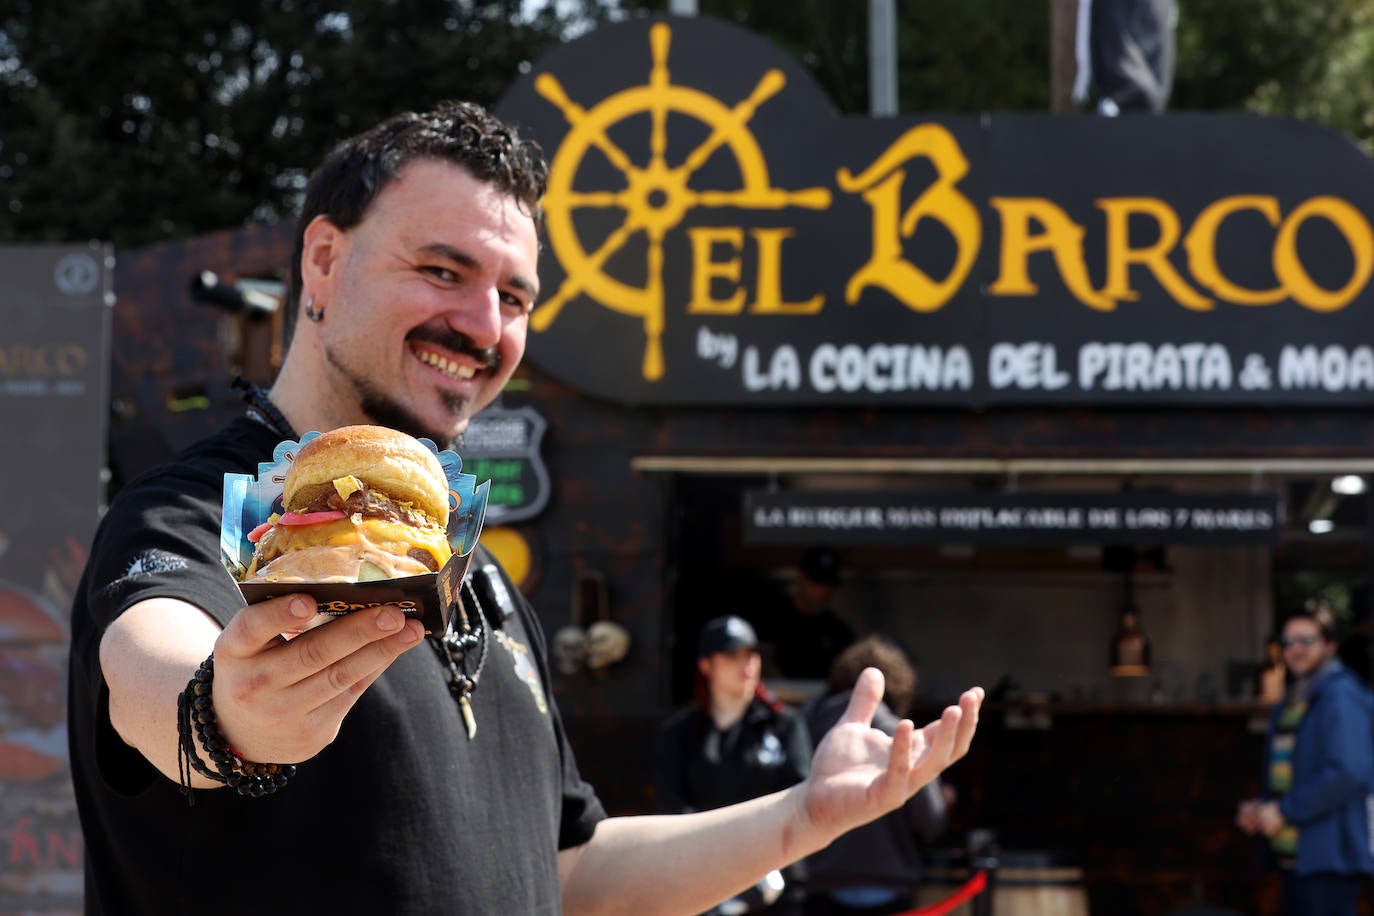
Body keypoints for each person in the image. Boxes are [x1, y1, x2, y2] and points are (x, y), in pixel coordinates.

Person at [67, 100, 984, 915]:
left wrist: (805, 816)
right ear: (323, 260)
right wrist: (224, 720)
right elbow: (150, 664)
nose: (483, 324)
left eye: (514, 296)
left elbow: (570, 873)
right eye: (440, 270)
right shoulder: (210, 507)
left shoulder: (485, 579)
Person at [655, 615, 813, 914]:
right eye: (732, 655)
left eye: (751, 654)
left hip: (776, 884)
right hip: (704, 884)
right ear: (706, 665)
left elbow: (800, 797)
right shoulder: (679, 733)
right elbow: (673, 809)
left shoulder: (783, 725)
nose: (747, 665)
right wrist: (718, 862)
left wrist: (764, 864)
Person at [1236, 606, 1374, 916]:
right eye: (1288, 641)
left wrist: (1284, 810)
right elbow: (1292, 773)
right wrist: (1262, 807)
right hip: (1297, 858)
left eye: (1306, 640)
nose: (1295, 649)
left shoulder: (1341, 694)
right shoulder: (1296, 698)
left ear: (1330, 645)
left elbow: (1349, 771)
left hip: (1328, 859)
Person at [802, 636, 950, 916]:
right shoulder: (903, 735)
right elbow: (931, 821)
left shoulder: (805, 730)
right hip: (887, 884)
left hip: (819, 883)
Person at [763, 545, 857, 680]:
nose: (822, 590)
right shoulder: (773, 618)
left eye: (828, 583)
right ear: (801, 576)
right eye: (817, 581)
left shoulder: (837, 630)